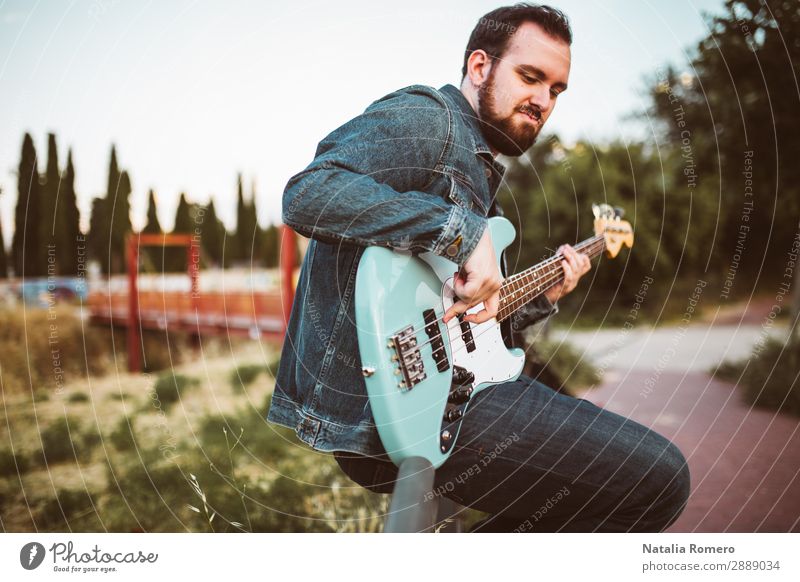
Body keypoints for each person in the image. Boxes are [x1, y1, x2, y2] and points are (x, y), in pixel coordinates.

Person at [267, 3, 690, 532]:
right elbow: (308, 193)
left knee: (616, 485)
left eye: (556, 90)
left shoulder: (477, 170)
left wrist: (543, 295)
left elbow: (464, 325)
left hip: (443, 396)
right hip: (387, 408)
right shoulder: (431, 118)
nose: (542, 100)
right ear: (479, 67)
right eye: (530, 76)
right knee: (659, 481)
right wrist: (462, 233)